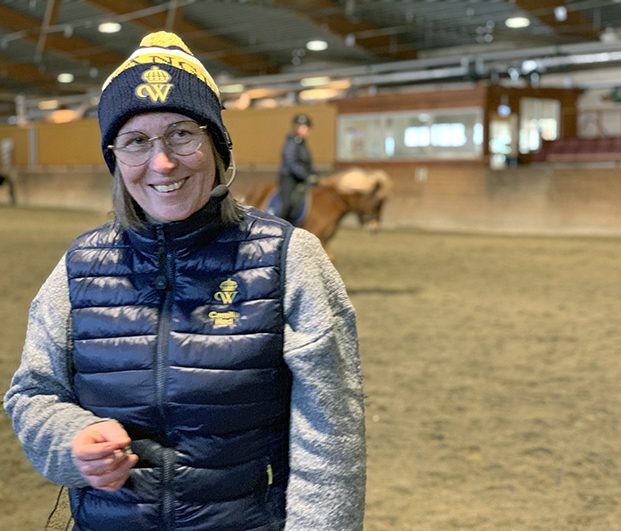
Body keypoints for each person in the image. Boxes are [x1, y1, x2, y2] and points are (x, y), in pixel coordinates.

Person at [4, 31, 365, 531]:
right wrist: (70, 440)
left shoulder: (292, 258)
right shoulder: (77, 265)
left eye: (181, 134)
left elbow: (330, 439)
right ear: (116, 158)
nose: (162, 163)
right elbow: (33, 393)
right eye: (136, 141)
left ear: (215, 143)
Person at [277, 113, 319, 224]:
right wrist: (307, 176)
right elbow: (292, 163)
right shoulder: (291, 143)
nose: (305, 130)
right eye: (302, 127)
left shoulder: (302, 144)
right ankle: (281, 225)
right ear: (296, 127)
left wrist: (314, 174)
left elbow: (307, 164)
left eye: (306, 127)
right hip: (289, 177)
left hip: (301, 177)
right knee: (288, 204)